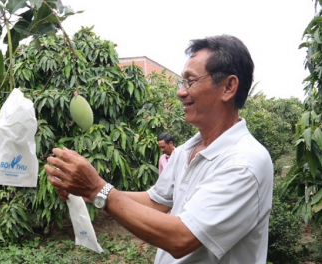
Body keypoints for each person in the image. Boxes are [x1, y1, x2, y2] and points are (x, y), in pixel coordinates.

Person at [45, 35, 273, 264]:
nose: (181, 92)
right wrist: (87, 190)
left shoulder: (244, 162)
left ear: (228, 87)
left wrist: (98, 189)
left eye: (190, 81)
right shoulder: (186, 150)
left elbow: (181, 237)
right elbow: (157, 202)